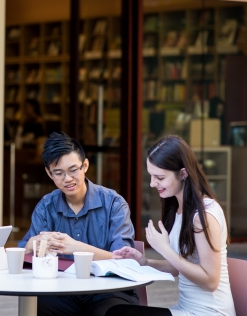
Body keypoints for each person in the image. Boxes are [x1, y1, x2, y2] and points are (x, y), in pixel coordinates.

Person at [106, 135, 235, 316]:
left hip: (210, 312)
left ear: (183, 173)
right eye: (151, 176)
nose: (152, 183)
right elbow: (180, 266)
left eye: (159, 177)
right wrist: (145, 262)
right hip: (185, 309)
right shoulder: (179, 208)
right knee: (115, 311)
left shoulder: (204, 215)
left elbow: (210, 281)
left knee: (118, 313)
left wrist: (165, 249)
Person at [18, 132, 138, 316]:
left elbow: (124, 262)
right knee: (35, 307)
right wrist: (34, 243)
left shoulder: (114, 203)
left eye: (73, 170)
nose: (67, 179)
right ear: (49, 174)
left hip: (108, 291)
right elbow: (25, 258)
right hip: (60, 291)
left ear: (85, 166)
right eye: (59, 173)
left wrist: (76, 248)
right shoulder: (46, 206)